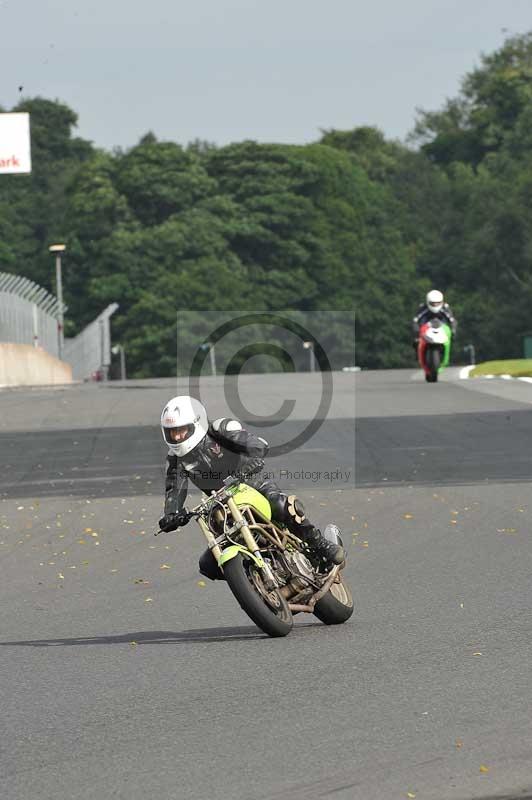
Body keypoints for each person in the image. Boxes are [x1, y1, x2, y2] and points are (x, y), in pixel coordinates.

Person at [158, 396, 345, 580]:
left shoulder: (220, 430)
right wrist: (171, 515)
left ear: (197, 423)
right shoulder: (175, 459)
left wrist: (253, 455)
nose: (177, 437)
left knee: (281, 506)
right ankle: (254, 578)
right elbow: (174, 487)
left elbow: (254, 444)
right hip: (221, 504)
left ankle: (320, 545)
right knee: (208, 565)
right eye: (172, 432)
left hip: (252, 483)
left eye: (181, 430)